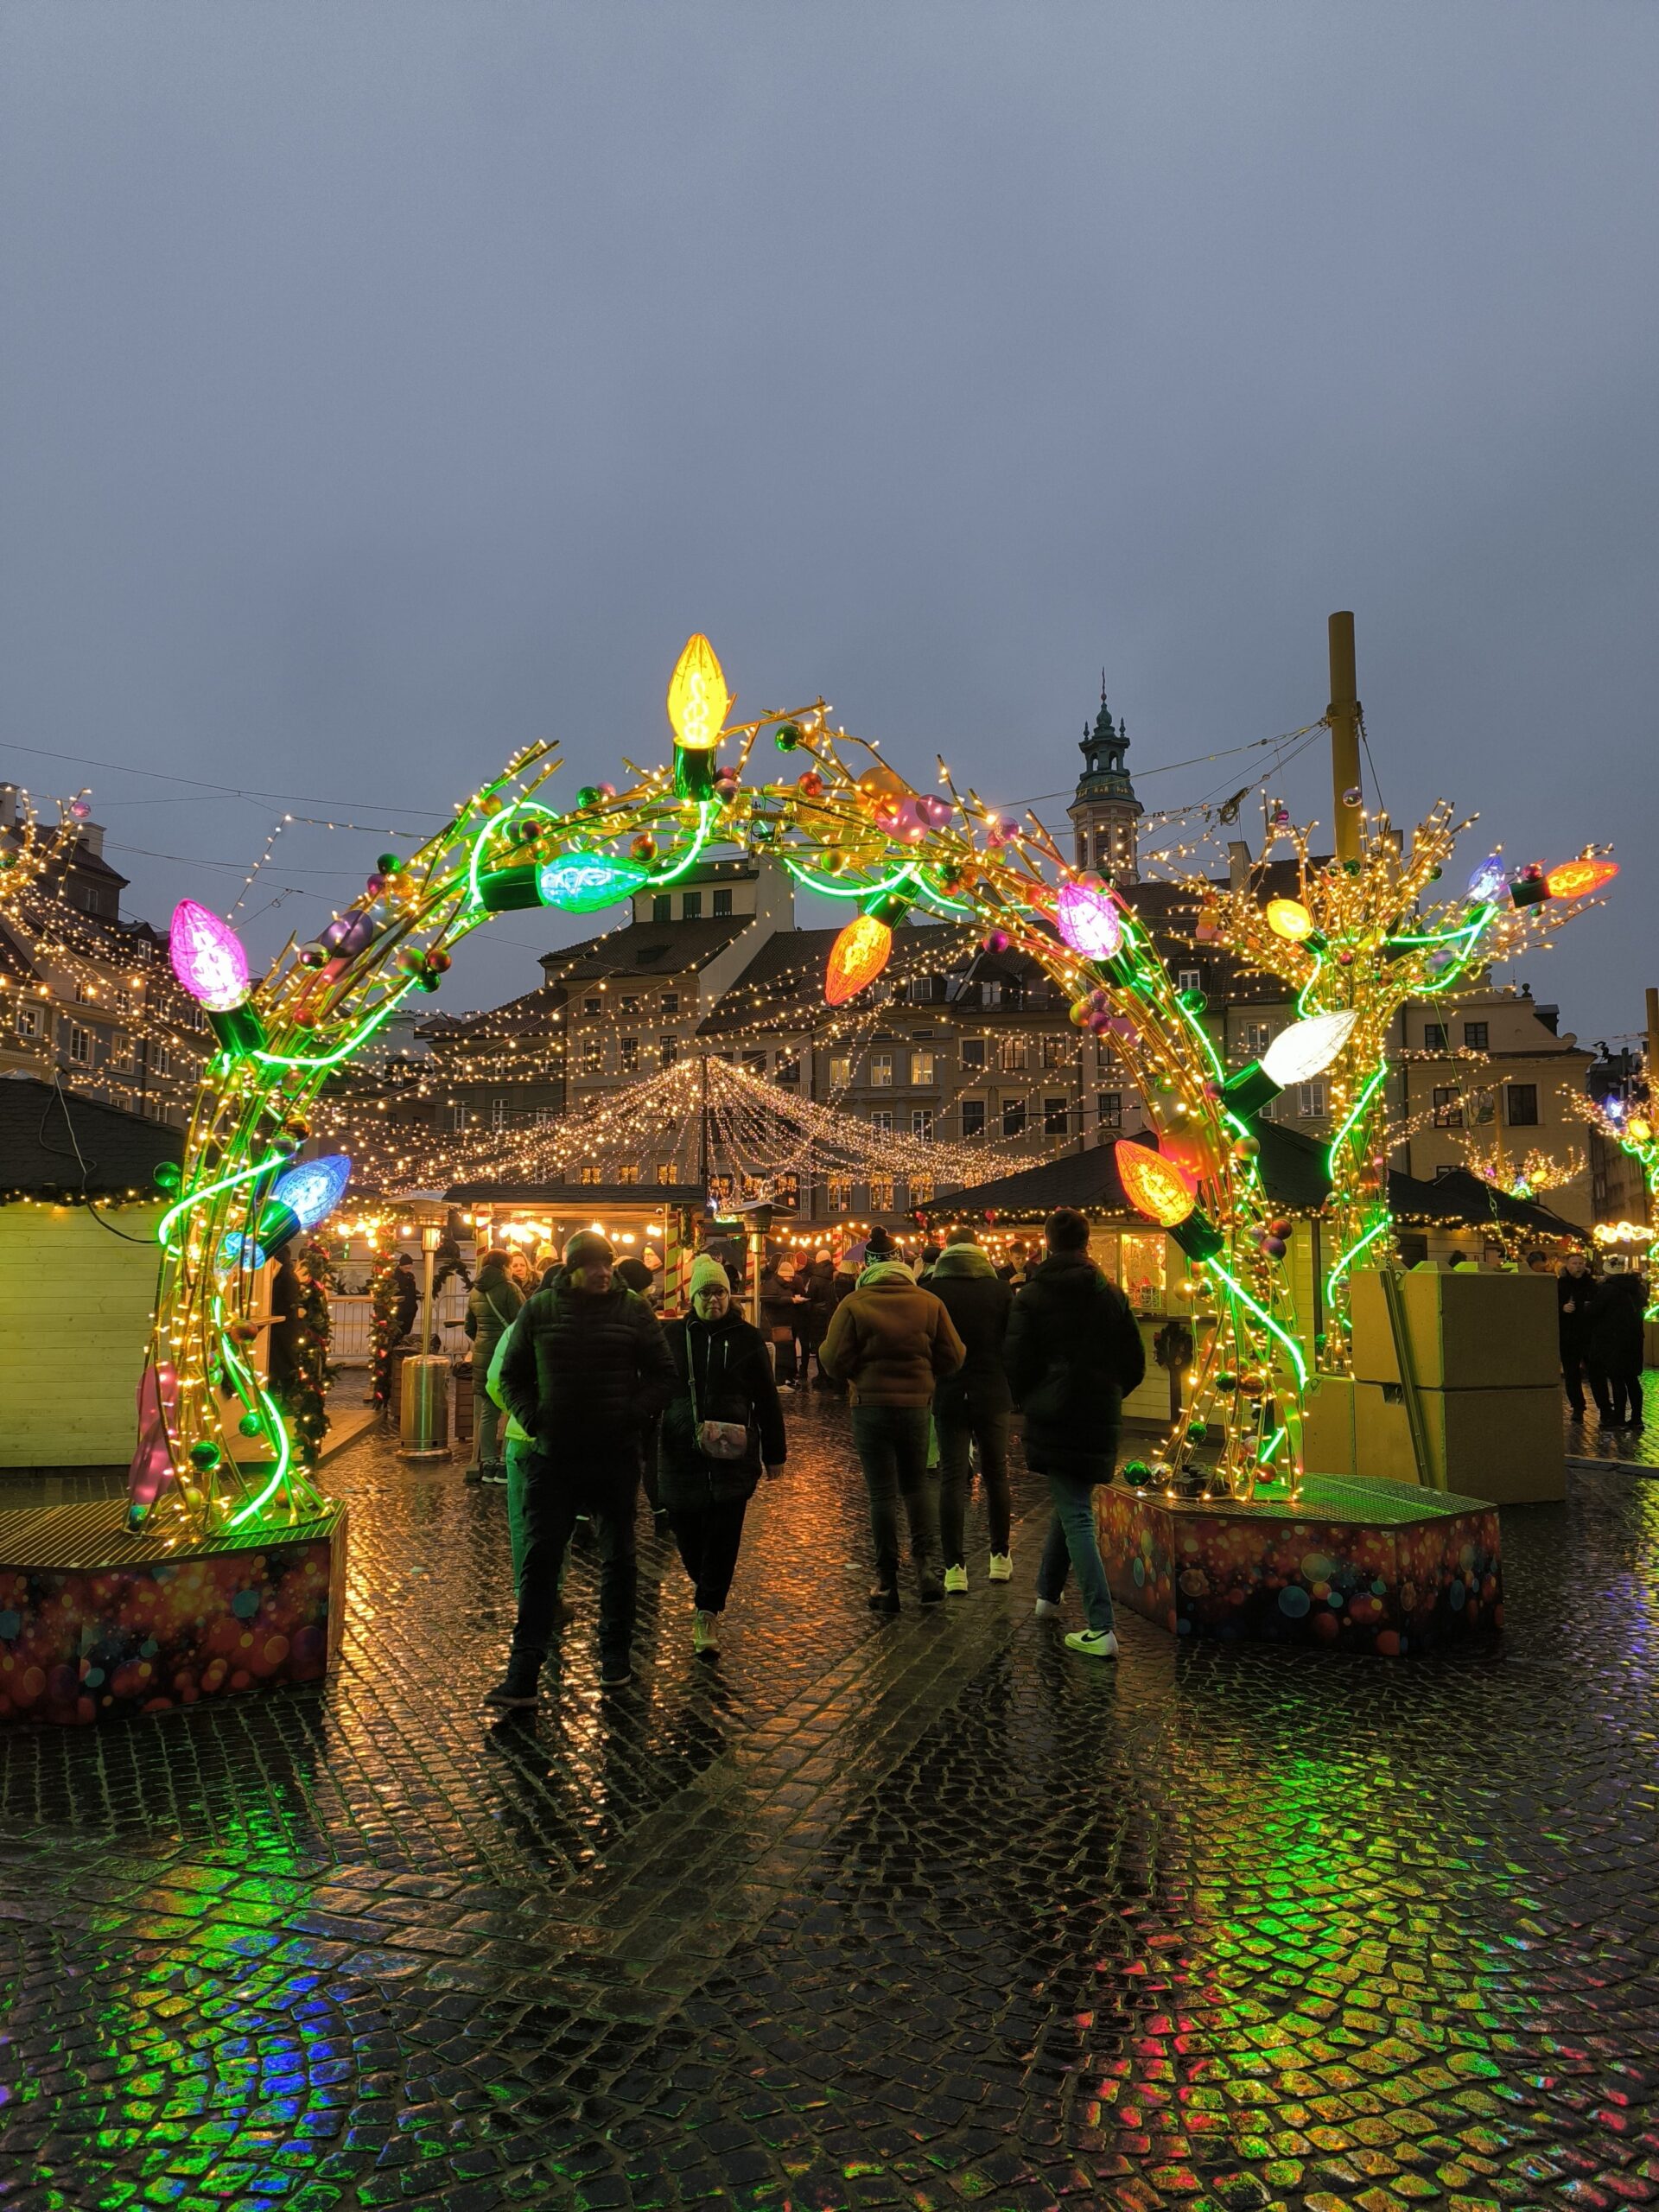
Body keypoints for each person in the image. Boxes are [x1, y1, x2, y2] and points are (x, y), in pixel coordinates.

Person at [486, 1230, 676, 1702]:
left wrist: (633, 1416)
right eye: (593, 1264)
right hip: (553, 1457)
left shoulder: (632, 1309)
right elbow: (510, 1375)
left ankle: (615, 1658)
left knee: (619, 1559)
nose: (602, 1271)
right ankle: (524, 1668)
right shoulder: (540, 1309)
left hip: (613, 1456)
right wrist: (534, 1420)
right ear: (572, 1268)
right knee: (540, 1561)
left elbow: (663, 1374)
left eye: (607, 1263)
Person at [1006, 1207, 1146, 1660]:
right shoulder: (1113, 1295)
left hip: (1055, 1412)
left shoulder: (1032, 1295)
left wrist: (1034, 1397)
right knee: (1070, 1503)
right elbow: (1135, 1363)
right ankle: (1047, 1595)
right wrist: (1107, 1391)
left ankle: (1100, 1625)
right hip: (1098, 1409)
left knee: (1076, 1513)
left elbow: (1017, 1361)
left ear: (1048, 1242)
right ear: (1087, 1242)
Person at [821, 1244, 965, 1611]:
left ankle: (887, 1581)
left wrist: (856, 1373)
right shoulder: (929, 1303)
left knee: (881, 1494)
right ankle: (926, 1568)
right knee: (916, 1487)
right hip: (916, 1406)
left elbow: (832, 1358)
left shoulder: (854, 1304)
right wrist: (927, 1373)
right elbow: (955, 1355)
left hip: (870, 1407)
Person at [658, 1255, 787, 1654]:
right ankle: (707, 1586)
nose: (713, 1301)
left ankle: (707, 1611)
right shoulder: (673, 1337)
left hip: (733, 1456)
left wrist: (775, 1453)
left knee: (724, 1534)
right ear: (692, 1295)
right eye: (705, 1293)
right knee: (687, 1531)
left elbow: (766, 1398)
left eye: (719, 1293)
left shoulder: (747, 1337)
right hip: (680, 1451)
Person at [927, 1228, 1013, 1592]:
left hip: (949, 1391)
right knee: (996, 1473)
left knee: (951, 1477)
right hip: (992, 1390)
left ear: (946, 1253)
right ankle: (999, 1558)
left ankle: (954, 1568)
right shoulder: (1000, 1291)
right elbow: (1012, 1341)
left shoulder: (933, 1291)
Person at [463, 1249, 524, 1484]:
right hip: (507, 1354)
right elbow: (522, 1321)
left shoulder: (475, 1291)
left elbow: (469, 1326)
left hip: (482, 1356)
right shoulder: (510, 1288)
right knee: (511, 1409)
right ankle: (505, 1463)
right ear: (504, 1266)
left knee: (488, 1411)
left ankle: (487, 1462)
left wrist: (482, 1341)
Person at [1587, 1258, 1646, 1431]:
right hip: (1634, 1339)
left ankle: (1619, 1418)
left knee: (1617, 1379)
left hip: (1613, 1341)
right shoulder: (1636, 1288)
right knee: (1632, 1378)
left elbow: (1593, 1312)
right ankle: (1636, 1418)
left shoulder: (1607, 1289)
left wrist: (1586, 1307)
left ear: (1607, 1272)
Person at [1558, 1250, 1594, 1421]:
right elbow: (1550, 1305)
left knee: (1596, 1372)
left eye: (1580, 1263)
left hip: (1589, 1334)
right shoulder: (1560, 1284)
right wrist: (1562, 1308)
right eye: (1574, 1263)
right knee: (1572, 1373)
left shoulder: (1591, 1284)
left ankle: (1604, 1407)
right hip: (1569, 1335)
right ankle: (1577, 1407)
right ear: (1567, 1265)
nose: (1578, 1266)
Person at [758, 1253, 804, 1389]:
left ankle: (784, 1380)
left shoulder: (783, 1285)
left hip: (785, 1323)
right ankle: (780, 1381)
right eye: (789, 1276)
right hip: (776, 1324)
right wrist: (791, 1300)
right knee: (781, 1352)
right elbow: (769, 1299)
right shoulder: (772, 1285)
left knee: (786, 1352)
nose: (791, 1279)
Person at [803, 1252, 836, 1385]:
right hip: (832, 1313)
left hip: (817, 1315)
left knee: (818, 1344)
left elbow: (811, 1295)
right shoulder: (835, 1274)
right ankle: (831, 1375)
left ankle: (822, 1375)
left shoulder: (815, 1277)